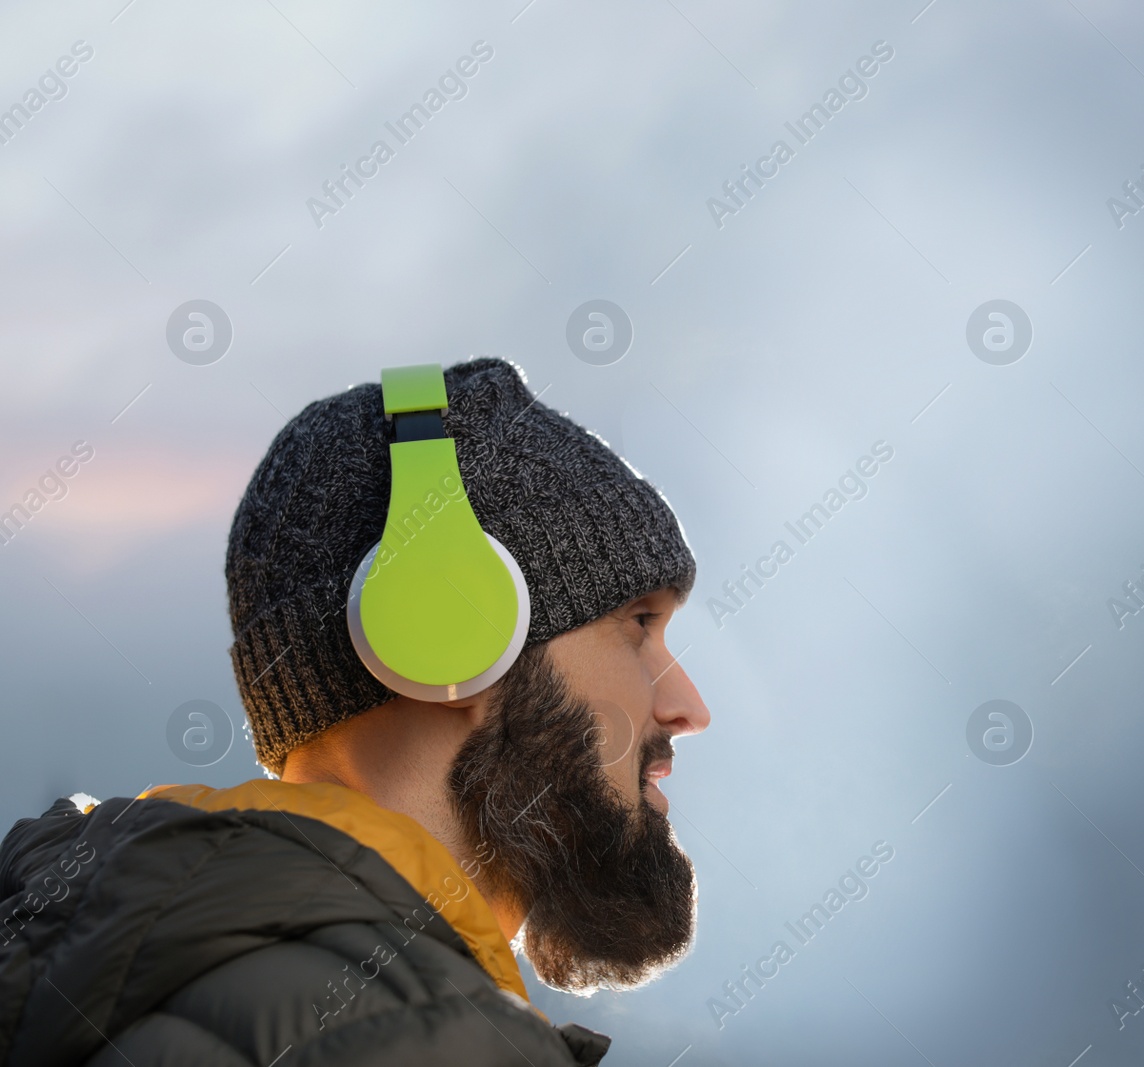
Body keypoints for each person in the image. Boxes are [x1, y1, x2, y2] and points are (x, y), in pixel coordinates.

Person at [0, 358, 710, 1065]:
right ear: (451, 632)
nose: (688, 708)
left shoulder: (113, 953)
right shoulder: (415, 1041)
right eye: (638, 624)